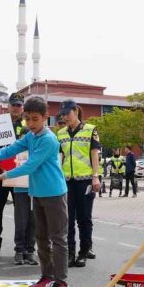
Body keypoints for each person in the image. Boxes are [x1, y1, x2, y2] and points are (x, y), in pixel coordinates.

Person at [0, 96, 69, 287]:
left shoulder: (48, 139)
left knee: (58, 239)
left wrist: (1, 176)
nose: (30, 124)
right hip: (37, 193)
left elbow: (31, 165)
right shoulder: (31, 136)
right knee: (40, 237)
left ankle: (61, 281)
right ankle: (46, 276)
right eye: (27, 119)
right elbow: (13, 147)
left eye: (35, 119)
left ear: (45, 117)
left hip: (55, 193)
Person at [0, 92, 36, 264]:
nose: (16, 108)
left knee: (25, 214)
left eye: (19, 105)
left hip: (20, 176)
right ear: (8, 106)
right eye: (13, 105)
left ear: (22, 107)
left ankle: (24, 248)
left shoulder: (28, 125)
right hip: (0, 174)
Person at [57, 100, 101, 267]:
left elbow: (94, 154)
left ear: (76, 111)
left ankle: (83, 252)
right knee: (68, 219)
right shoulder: (60, 133)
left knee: (84, 218)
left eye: (68, 113)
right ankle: (70, 253)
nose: (65, 117)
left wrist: (95, 176)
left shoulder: (90, 130)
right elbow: (60, 158)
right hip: (67, 180)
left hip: (86, 180)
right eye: (63, 115)